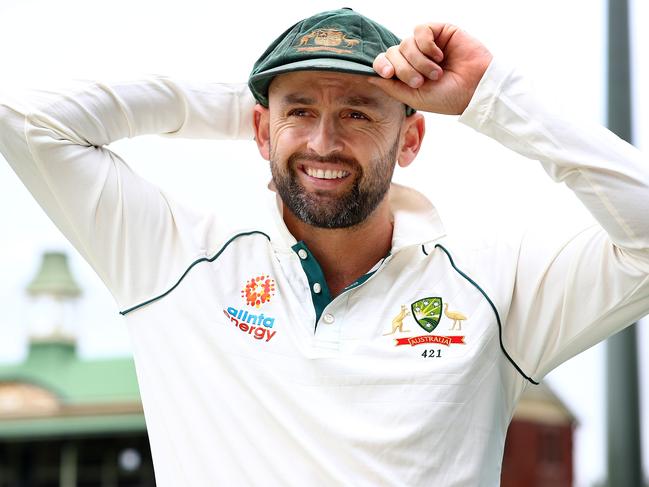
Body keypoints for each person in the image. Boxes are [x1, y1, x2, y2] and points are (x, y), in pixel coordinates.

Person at [1, 7, 647, 486]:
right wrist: (250, 102)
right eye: (300, 111)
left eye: (360, 112)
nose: (323, 143)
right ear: (258, 129)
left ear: (412, 138)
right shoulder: (174, 259)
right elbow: (26, 120)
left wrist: (492, 97)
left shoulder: (490, 286)